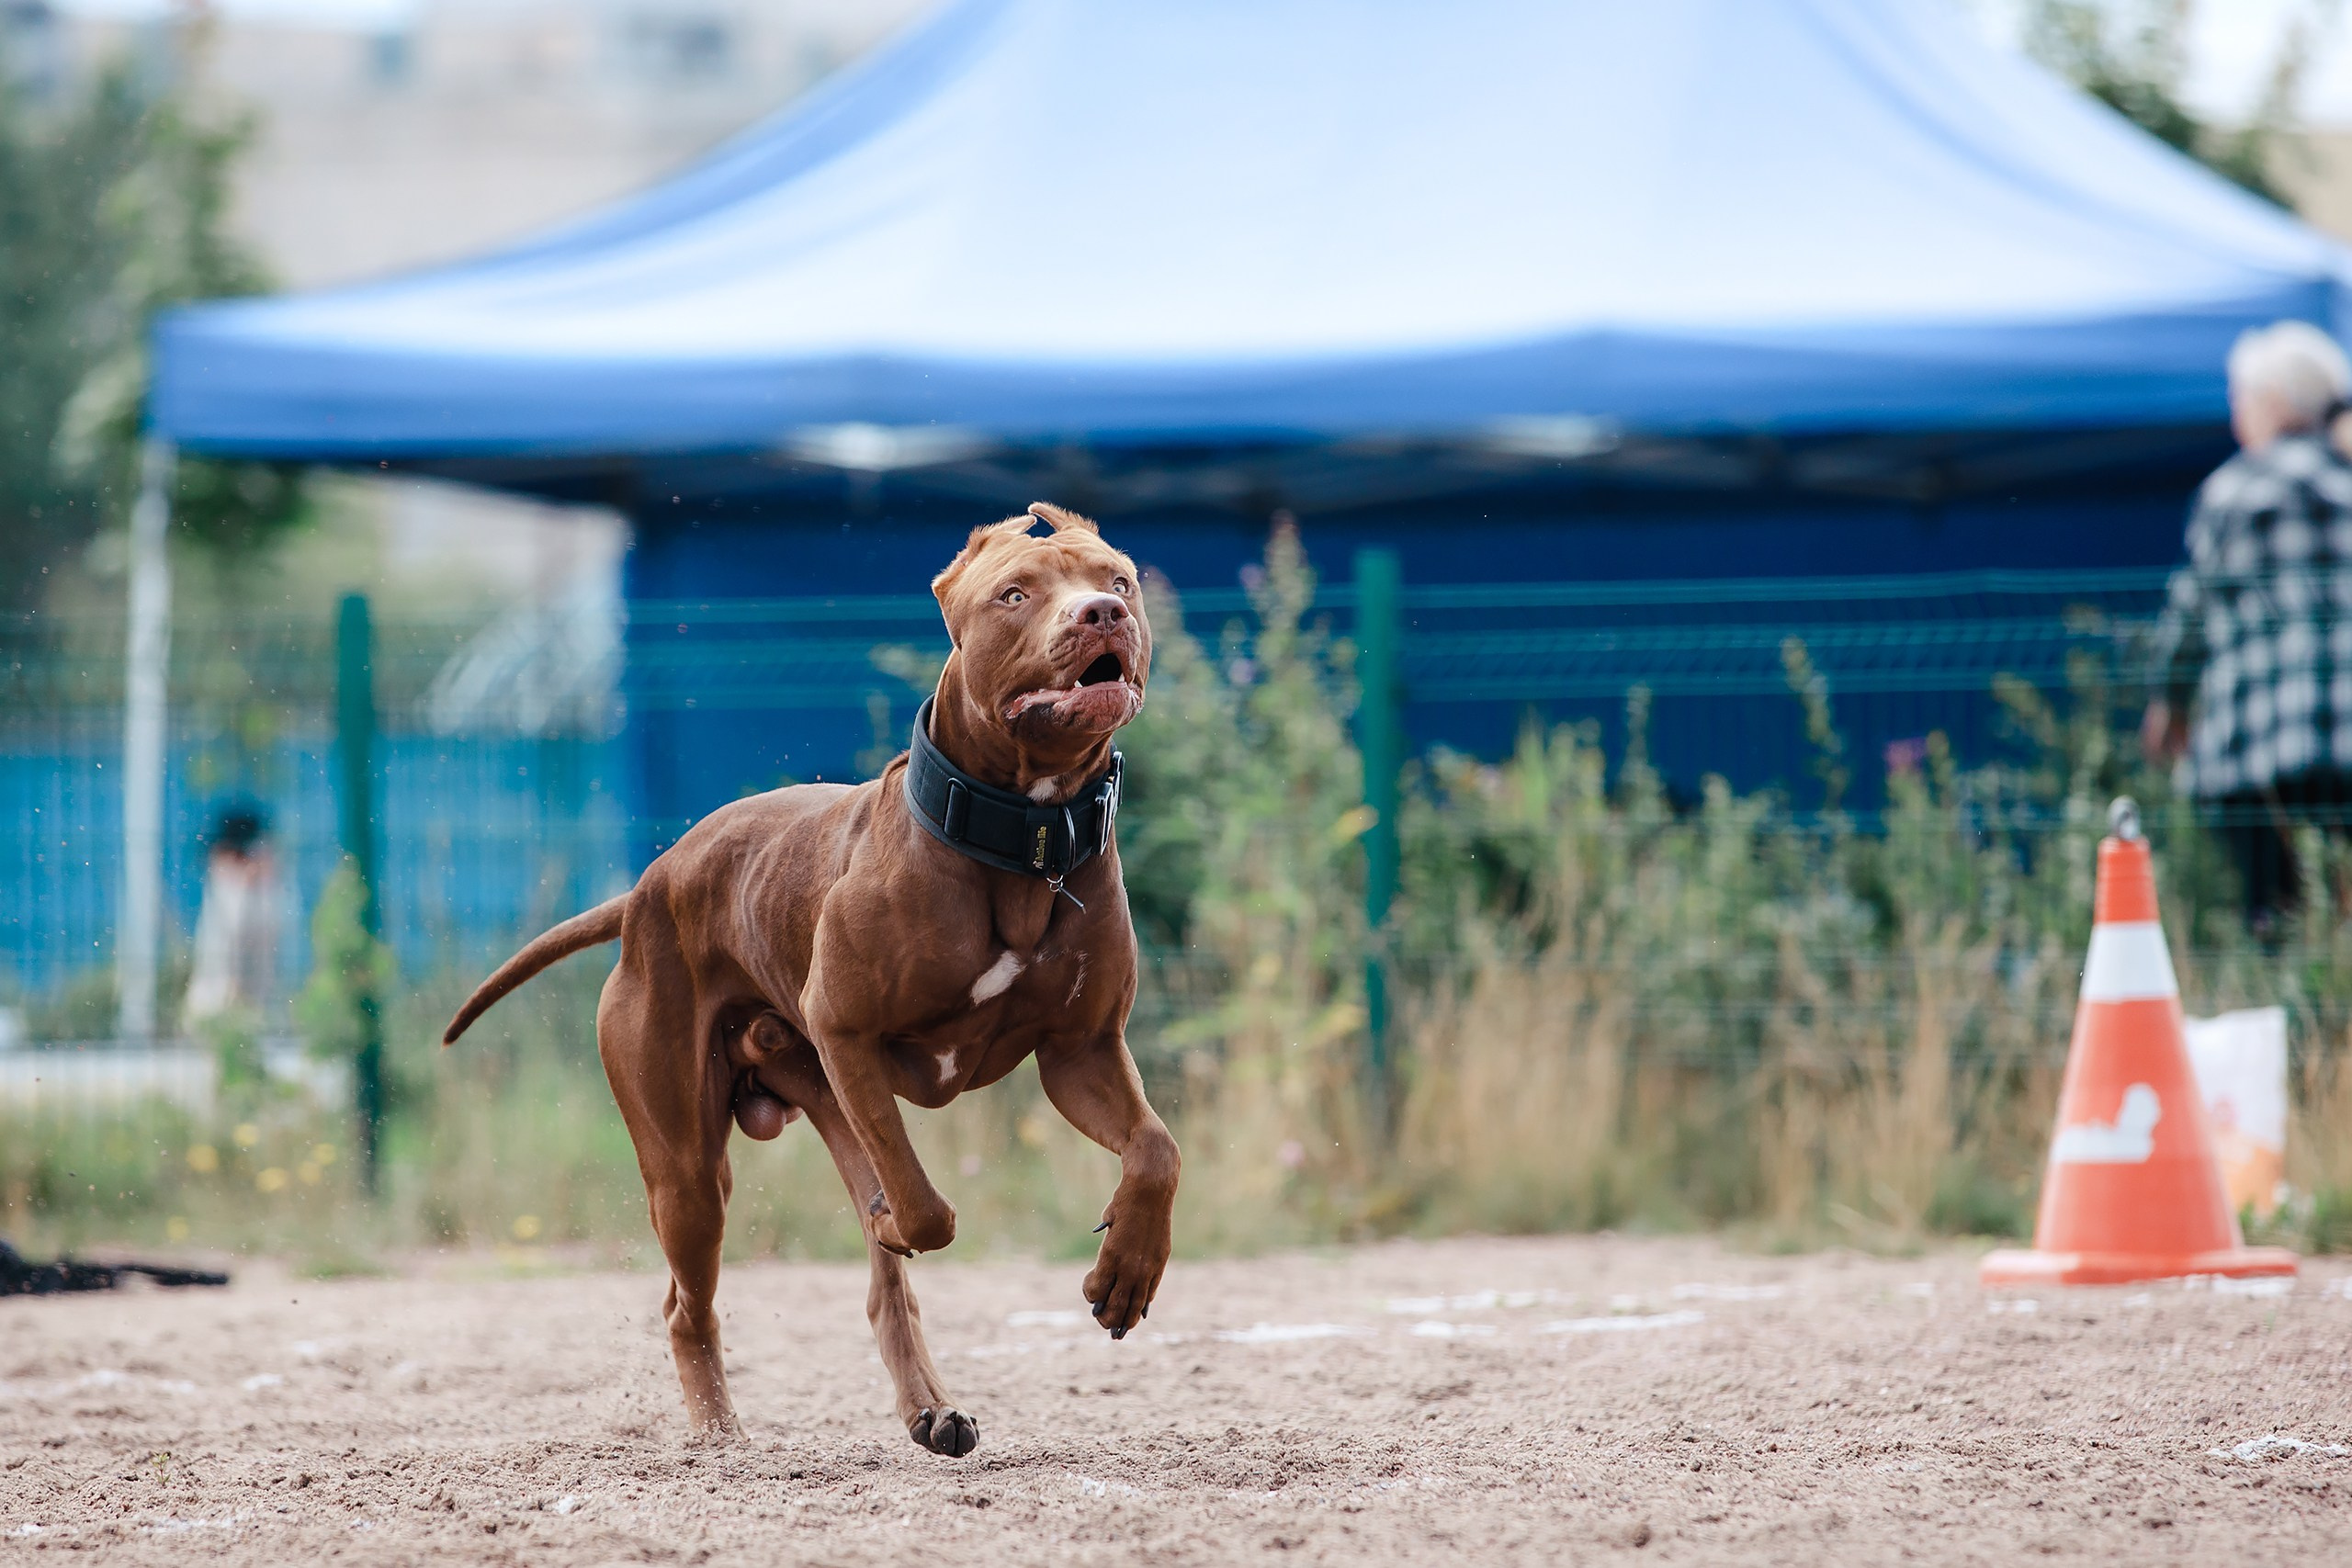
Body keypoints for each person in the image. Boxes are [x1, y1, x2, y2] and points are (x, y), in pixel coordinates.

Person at [2144, 320, 2352, 936]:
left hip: (2258, 744)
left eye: (2243, 399)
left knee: (2272, 914)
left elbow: (2191, 613)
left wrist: (2169, 703)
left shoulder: (2234, 491)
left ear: (2274, 402)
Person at [182, 804, 283, 1030]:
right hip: (221, 993)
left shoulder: (263, 891)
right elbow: (233, 932)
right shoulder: (228, 886)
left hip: (249, 994)